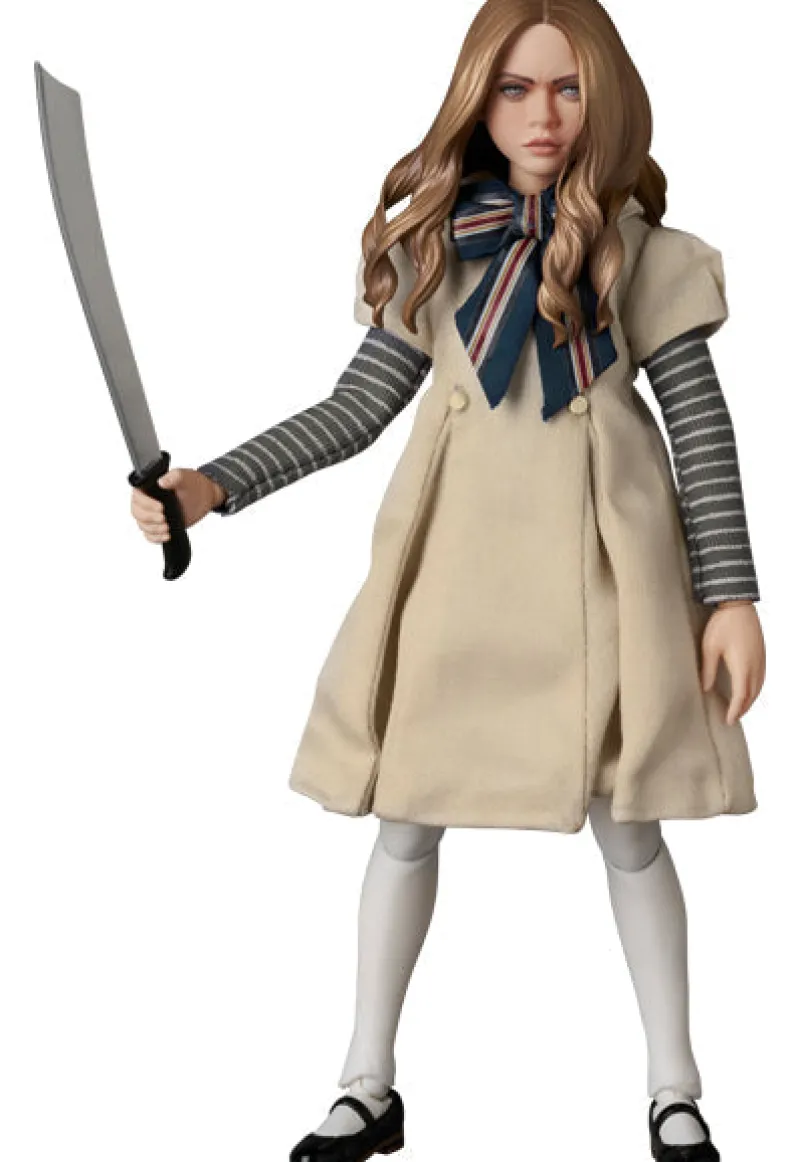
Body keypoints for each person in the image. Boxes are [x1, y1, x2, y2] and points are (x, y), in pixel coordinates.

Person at [130, 2, 765, 1158]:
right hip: (454, 580)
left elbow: (700, 434)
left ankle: (674, 1087)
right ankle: (365, 1079)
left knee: (627, 828)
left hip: (602, 584)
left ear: (606, 99)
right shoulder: (436, 254)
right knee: (405, 820)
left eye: (567, 89)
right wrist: (215, 484)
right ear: (477, 100)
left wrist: (728, 595)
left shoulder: (645, 260)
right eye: (515, 89)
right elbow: (353, 410)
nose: (542, 115)